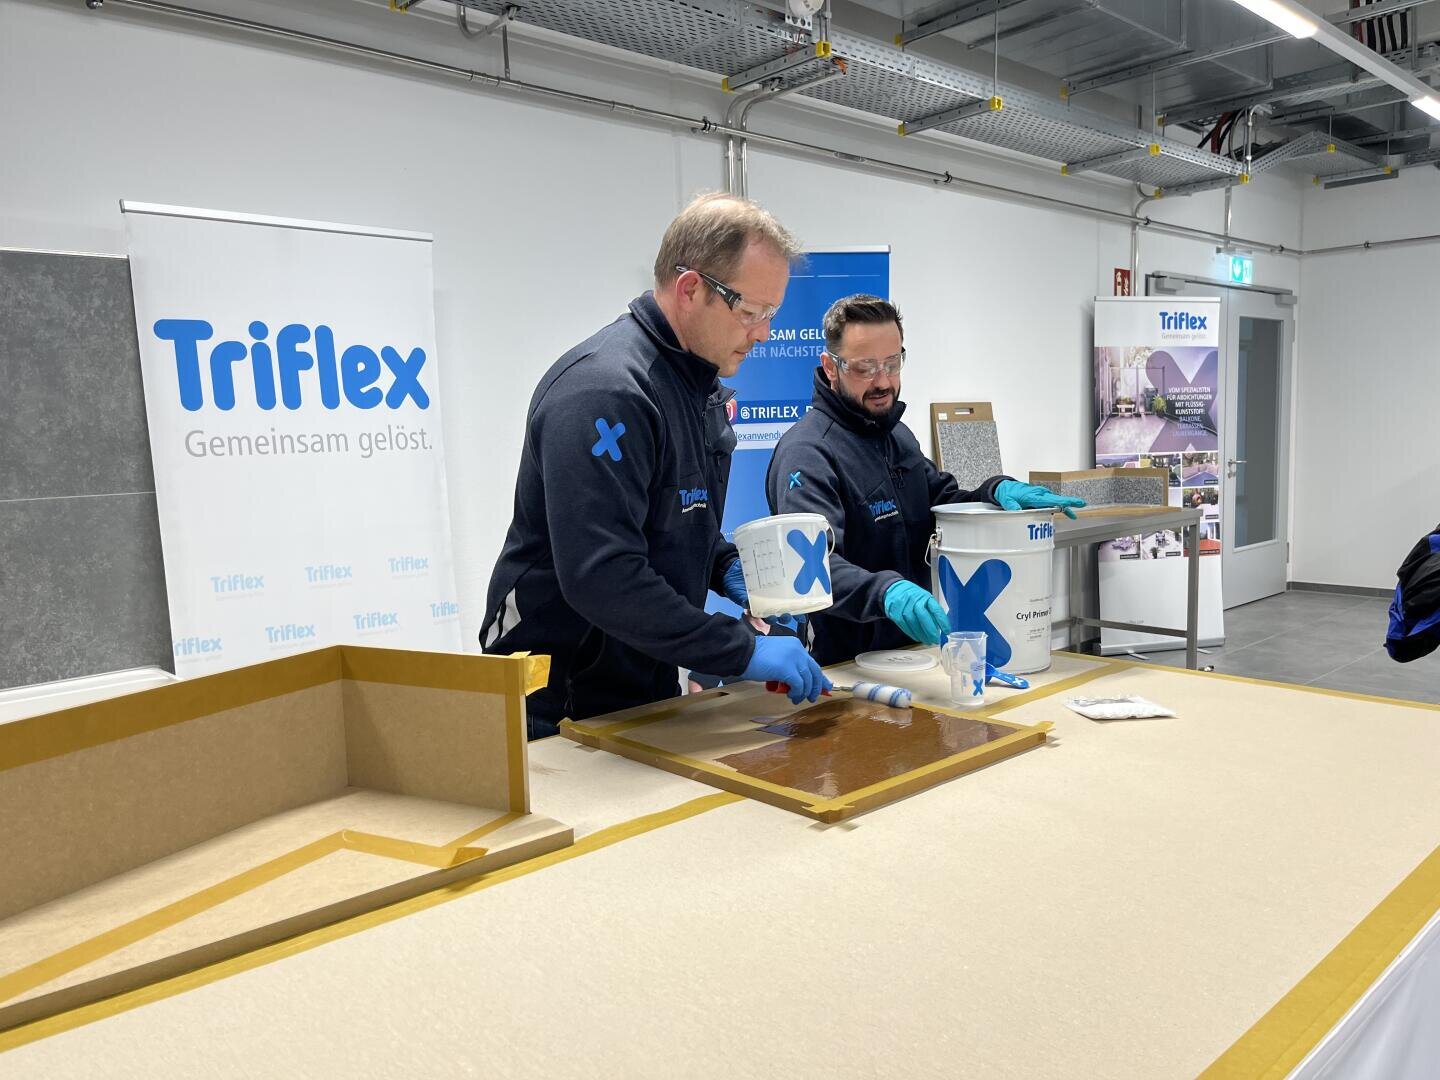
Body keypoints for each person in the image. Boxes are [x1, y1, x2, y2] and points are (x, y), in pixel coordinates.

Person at [481, 194, 830, 738]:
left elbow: (672, 523)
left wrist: (729, 567)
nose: (763, 333)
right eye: (751, 312)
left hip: (640, 677)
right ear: (690, 288)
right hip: (557, 695)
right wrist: (739, 649)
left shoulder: (697, 387)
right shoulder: (605, 392)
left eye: (771, 314)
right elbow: (602, 574)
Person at [766, 294, 1084, 666]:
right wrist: (885, 592)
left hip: (915, 656)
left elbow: (942, 503)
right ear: (830, 367)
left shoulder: (897, 437)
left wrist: (994, 491)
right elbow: (811, 567)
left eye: (892, 363)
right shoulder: (808, 453)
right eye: (865, 367)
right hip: (842, 667)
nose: (883, 381)